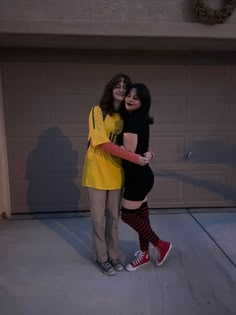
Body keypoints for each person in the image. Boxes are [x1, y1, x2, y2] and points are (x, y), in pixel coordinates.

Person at [82, 74, 152, 276]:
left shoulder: (125, 116)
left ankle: (113, 255)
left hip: (116, 172)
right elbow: (102, 143)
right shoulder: (97, 111)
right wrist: (133, 158)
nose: (121, 89)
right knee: (98, 219)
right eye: (117, 86)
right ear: (110, 89)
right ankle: (102, 258)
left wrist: (149, 154)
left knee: (113, 218)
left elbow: (136, 143)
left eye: (125, 87)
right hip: (96, 171)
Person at [121, 83, 172, 271]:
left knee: (127, 216)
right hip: (144, 175)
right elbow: (141, 150)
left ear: (143, 102)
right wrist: (150, 153)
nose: (130, 99)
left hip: (137, 178)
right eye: (129, 95)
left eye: (135, 97)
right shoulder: (140, 118)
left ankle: (161, 245)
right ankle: (143, 254)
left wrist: (112, 146)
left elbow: (130, 151)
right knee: (142, 216)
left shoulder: (132, 120)